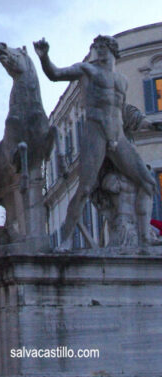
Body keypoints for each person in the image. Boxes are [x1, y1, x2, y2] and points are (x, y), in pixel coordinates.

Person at [34, 35, 156, 247]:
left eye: (101, 47)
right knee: (85, 188)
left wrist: (147, 124)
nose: (97, 50)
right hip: (95, 132)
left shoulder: (123, 81)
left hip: (117, 135)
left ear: (112, 50)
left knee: (148, 182)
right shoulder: (87, 71)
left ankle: (145, 237)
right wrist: (44, 58)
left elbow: (121, 110)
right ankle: (67, 240)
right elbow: (55, 74)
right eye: (95, 47)